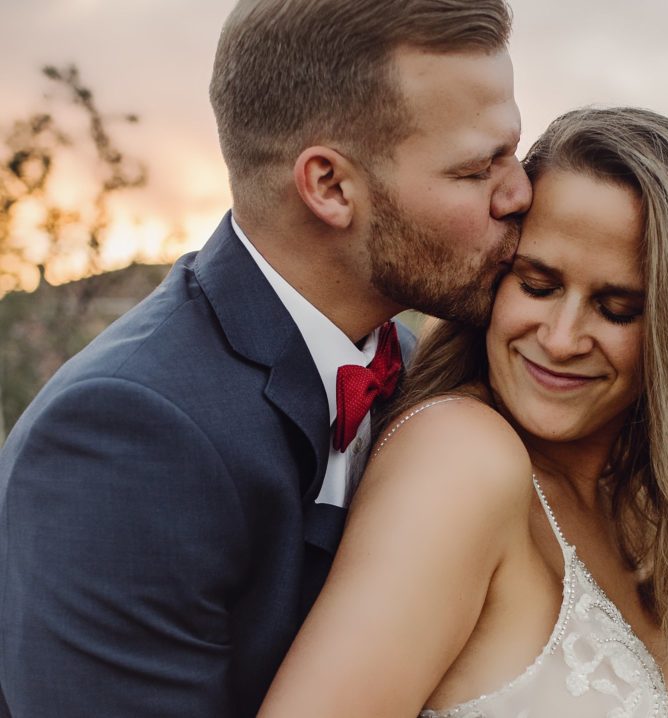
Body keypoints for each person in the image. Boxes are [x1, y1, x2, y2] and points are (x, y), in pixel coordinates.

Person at [0, 1, 530, 715]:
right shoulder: (125, 435)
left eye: (513, 153)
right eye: (476, 169)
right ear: (330, 186)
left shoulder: (410, 365)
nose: (521, 191)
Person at [256, 107, 668, 718]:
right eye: (536, 285)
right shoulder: (461, 457)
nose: (561, 339)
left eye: (617, 309)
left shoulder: (650, 515)